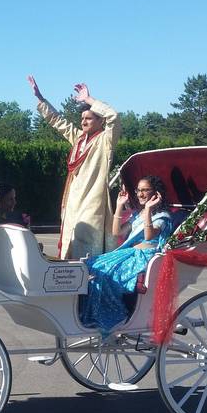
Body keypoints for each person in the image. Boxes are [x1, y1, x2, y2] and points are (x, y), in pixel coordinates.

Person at [28, 77, 120, 259]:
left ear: (100, 121)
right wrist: (40, 98)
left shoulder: (105, 140)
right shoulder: (79, 139)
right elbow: (58, 122)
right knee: (68, 244)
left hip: (93, 202)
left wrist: (89, 100)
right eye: (82, 118)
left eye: (89, 118)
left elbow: (113, 116)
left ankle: (89, 283)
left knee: (86, 246)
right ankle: (69, 283)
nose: (84, 122)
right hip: (72, 201)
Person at [79, 175, 173, 332]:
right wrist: (119, 205)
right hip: (130, 254)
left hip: (144, 258)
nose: (140, 194)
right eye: (138, 190)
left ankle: (115, 314)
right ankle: (92, 313)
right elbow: (117, 232)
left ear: (155, 193)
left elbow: (149, 236)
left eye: (145, 190)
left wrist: (149, 209)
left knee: (104, 273)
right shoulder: (138, 214)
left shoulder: (163, 217)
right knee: (90, 265)